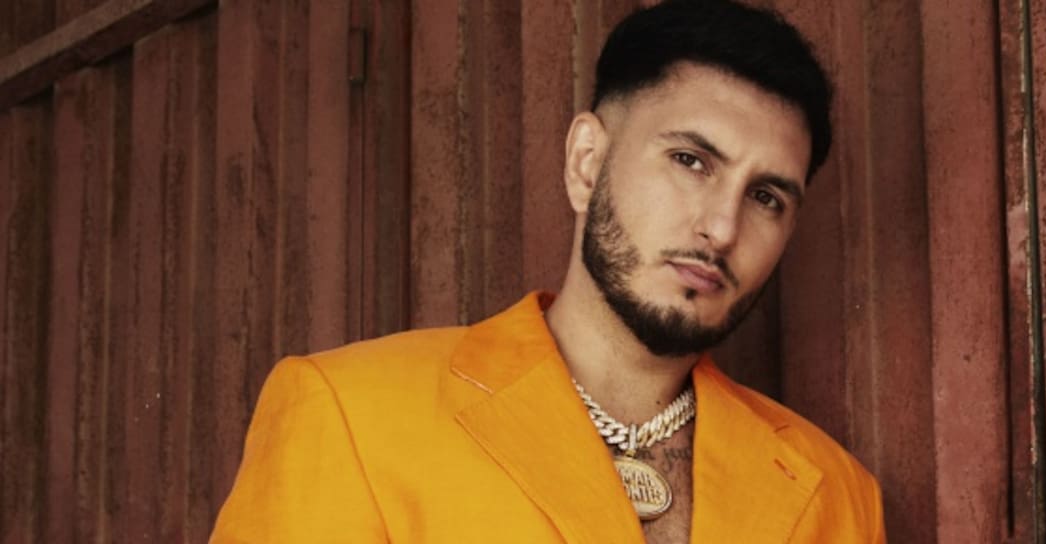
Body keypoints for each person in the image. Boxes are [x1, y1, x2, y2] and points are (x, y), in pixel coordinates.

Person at [210, 0, 884, 542]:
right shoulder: (351, 413)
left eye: (766, 197)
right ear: (587, 162)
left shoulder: (836, 492)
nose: (723, 228)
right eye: (690, 161)